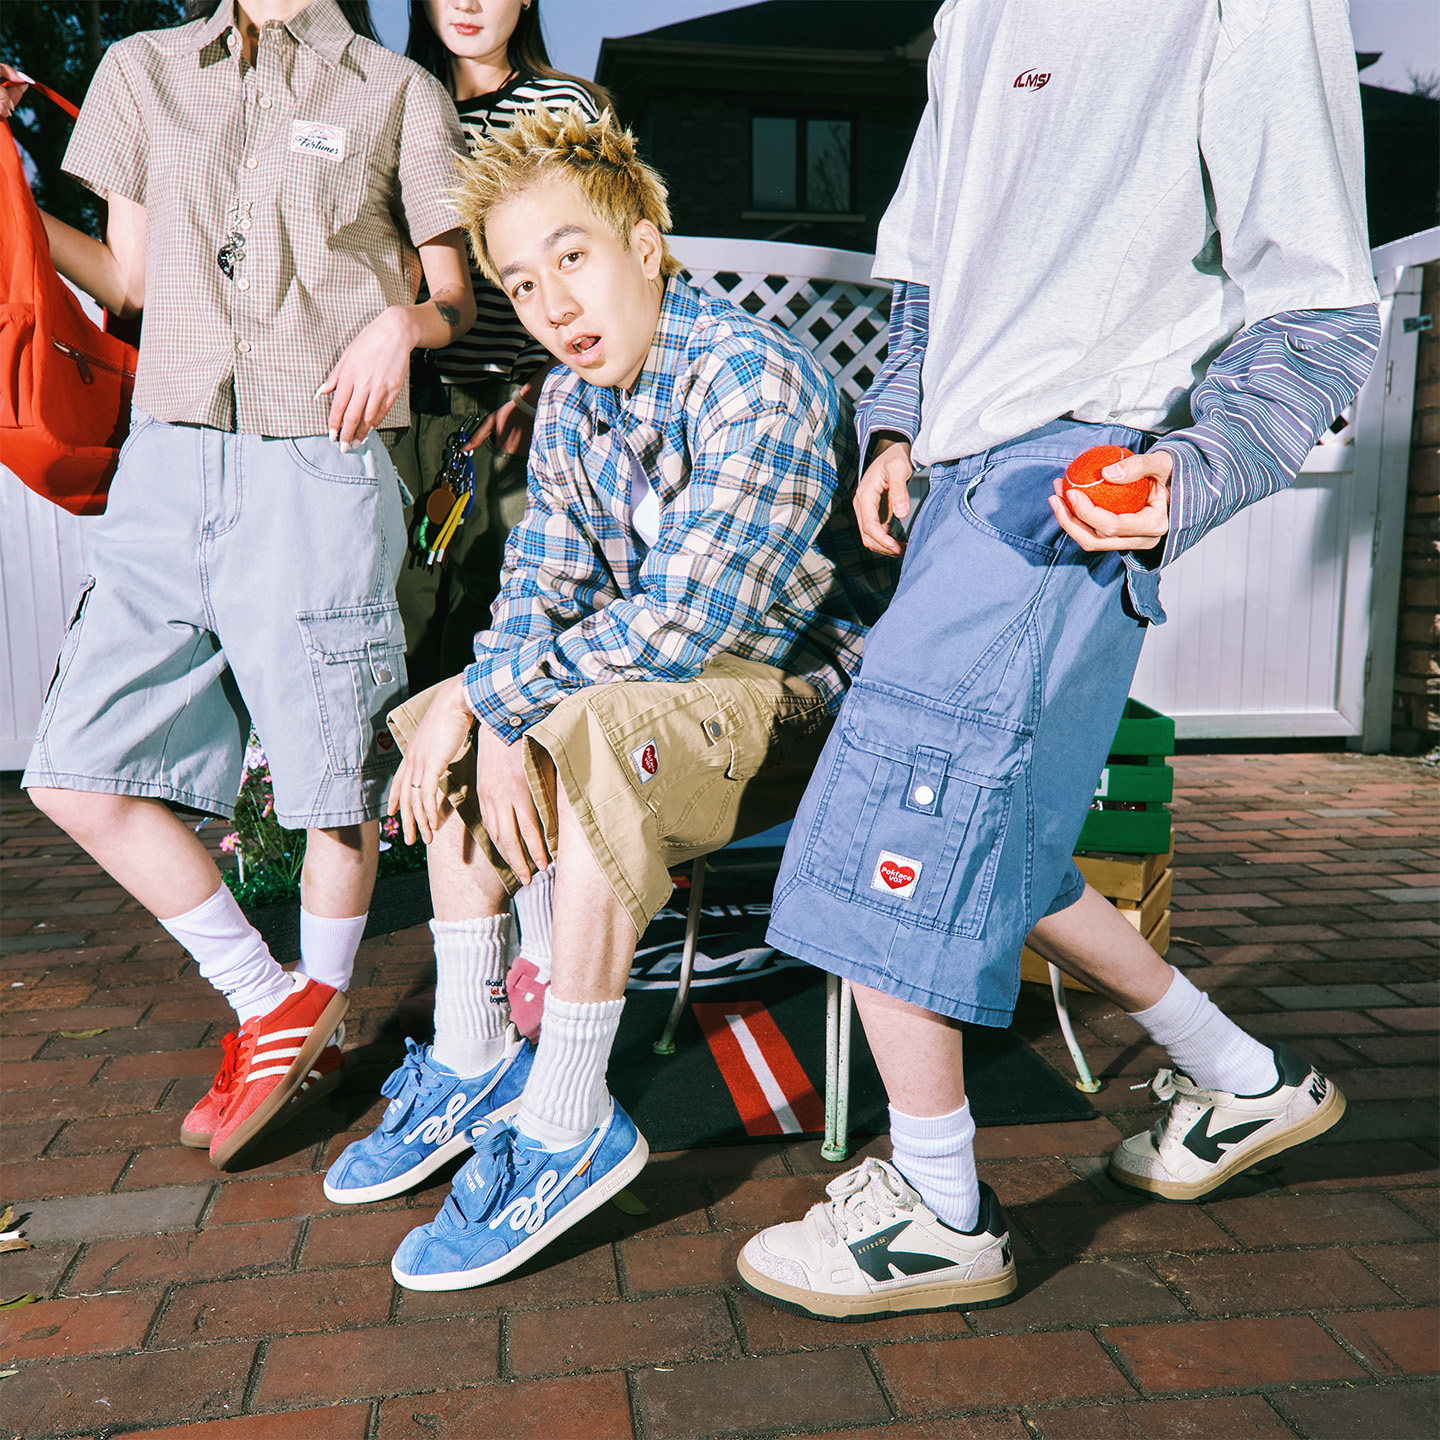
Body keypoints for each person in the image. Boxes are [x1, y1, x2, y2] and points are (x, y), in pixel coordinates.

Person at [739, 0, 1381, 1321]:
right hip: (961, 477)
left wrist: (1198, 467)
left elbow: (1320, 308)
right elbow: (930, 265)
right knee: (1011, 846)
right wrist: (898, 426)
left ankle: (940, 1214)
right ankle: (1243, 1079)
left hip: (1073, 465)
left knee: (888, 829)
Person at [321, 106, 897, 1293]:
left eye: (572, 258)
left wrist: (494, 701)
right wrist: (482, 709)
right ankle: (476, 1056)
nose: (554, 306)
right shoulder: (573, 403)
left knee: (549, 721)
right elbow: (539, 591)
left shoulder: (754, 380)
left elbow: (687, 623)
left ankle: (568, 1119)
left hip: (802, 696)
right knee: (445, 727)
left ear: (644, 245)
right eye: (524, 286)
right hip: (657, 691)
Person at [12, 0, 476, 1170]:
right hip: (168, 459)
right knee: (72, 769)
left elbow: (457, 297)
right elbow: (127, 278)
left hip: (319, 457)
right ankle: (275, 1007)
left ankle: (304, 1037)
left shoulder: (396, 90)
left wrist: (402, 327)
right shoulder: (142, 70)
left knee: (329, 781)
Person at [394, 0, 612, 1016]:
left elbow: (590, 253)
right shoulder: (406, 103)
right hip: (433, 417)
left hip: (532, 410)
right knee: (434, 638)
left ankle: (544, 925)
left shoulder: (561, 104)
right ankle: (472, 911)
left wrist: (544, 392)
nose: (470, 3)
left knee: (523, 637)